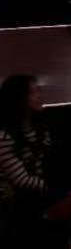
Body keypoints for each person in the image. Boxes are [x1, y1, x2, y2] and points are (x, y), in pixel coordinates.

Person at [0, 73, 50, 210]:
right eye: (33, 92)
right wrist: (57, 187)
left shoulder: (40, 127)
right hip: (17, 200)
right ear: (18, 98)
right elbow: (21, 180)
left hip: (41, 190)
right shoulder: (5, 136)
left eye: (39, 90)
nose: (39, 96)